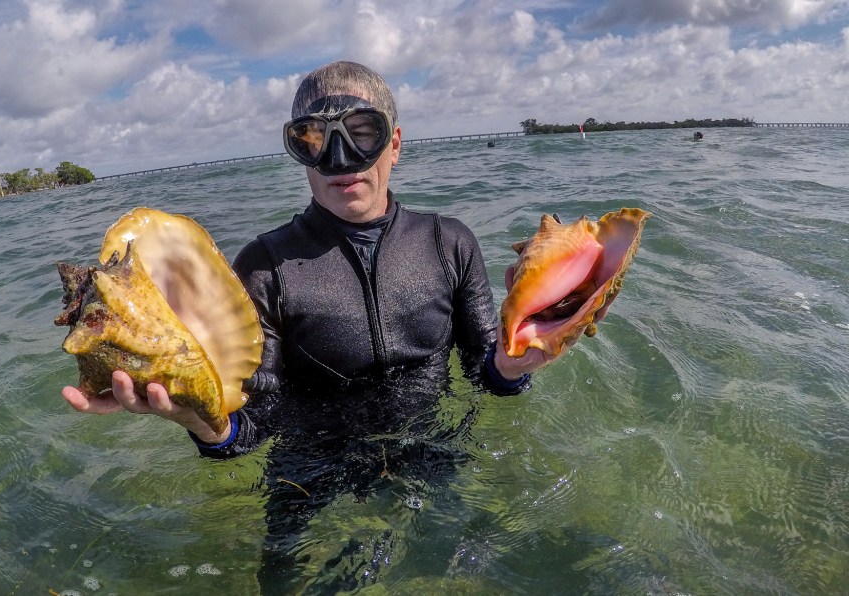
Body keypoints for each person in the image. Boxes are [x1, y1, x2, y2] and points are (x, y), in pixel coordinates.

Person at [62, 60, 569, 588]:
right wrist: (204, 423)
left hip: (432, 445)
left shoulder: (450, 243)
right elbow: (251, 425)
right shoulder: (265, 265)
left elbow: (487, 373)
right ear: (298, 153)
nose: (340, 160)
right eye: (313, 139)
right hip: (309, 466)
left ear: (394, 143)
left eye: (361, 133)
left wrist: (513, 363)